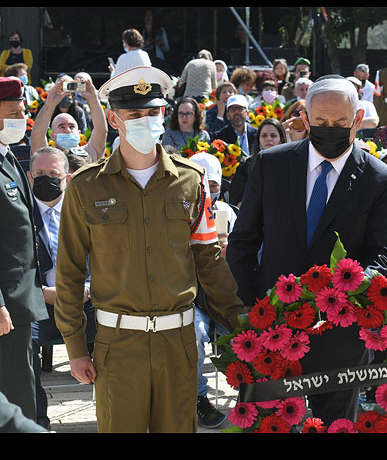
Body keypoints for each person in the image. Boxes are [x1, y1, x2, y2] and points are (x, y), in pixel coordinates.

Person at [53, 66, 245, 433]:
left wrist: (241, 327)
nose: (146, 121)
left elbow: (209, 260)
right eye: (134, 114)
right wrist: (75, 346)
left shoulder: (191, 181)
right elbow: (70, 270)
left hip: (179, 342)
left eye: (153, 112)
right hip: (117, 344)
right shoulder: (85, 187)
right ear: (113, 117)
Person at [226, 75, 387, 425]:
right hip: (272, 323)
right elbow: (243, 239)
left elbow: (381, 254)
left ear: (358, 118)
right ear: (305, 119)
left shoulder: (380, 180)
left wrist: (350, 288)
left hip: (341, 331)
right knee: (269, 424)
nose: (330, 128)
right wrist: (248, 304)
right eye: (321, 122)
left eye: (339, 122)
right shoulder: (269, 165)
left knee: (335, 424)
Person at [27, 147, 96, 430]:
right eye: (40, 174)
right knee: (18, 342)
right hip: (39, 303)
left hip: (89, 300)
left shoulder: (87, 211)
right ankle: (37, 419)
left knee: (120, 335)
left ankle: (113, 412)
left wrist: (89, 289)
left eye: (53, 175)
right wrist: (43, 292)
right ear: (30, 178)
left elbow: (109, 259)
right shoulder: (21, 213)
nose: (47, 180)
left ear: (67, 177)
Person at [0, 77, 48, 423]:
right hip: (7, 304)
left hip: (23, 300)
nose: (22, 118)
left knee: (25, 387)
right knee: (14, 393)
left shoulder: (9, 159)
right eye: (14, 112)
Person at [185, 151, 236, 429]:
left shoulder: (231, 213)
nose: (207, 192)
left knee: (251, 328)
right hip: (193, 297)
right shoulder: (177, 212)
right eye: (201, 186)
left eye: (212, 186)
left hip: (226, 294)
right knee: (192, 333)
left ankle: (254, 396)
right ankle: (198, 397)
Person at [30, 74, 107, 161]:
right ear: (53, 136)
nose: (68, 130)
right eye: (62, 127)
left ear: (79, 133)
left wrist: (93, 98)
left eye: (71, 126)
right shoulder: (46, 157)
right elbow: (37, 133)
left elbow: (101, 130)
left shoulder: (89, 154)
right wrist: (49, 104)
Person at [229, 118, 287, 207]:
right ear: (259, 139)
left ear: (281, 139)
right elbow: (235, 200)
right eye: (264, 135)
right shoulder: (246, 165)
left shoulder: (289, 164)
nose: (268, 139)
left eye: (273, 135)